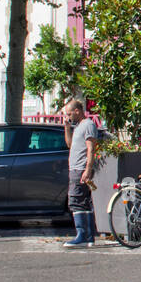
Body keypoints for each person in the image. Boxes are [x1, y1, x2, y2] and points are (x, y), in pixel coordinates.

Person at [61, 99, 99, 248]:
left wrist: (88, 169)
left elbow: (91, 148)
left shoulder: (88, 125)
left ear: (77, 111)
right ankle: (89, 237)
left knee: (75, 201)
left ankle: (82, 235)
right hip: (76, 168)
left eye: (69, 113)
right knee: (84, 203)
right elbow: (70, 144)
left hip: (80, 168)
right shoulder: (78, 126)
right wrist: (67, 127)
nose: (68, 116)